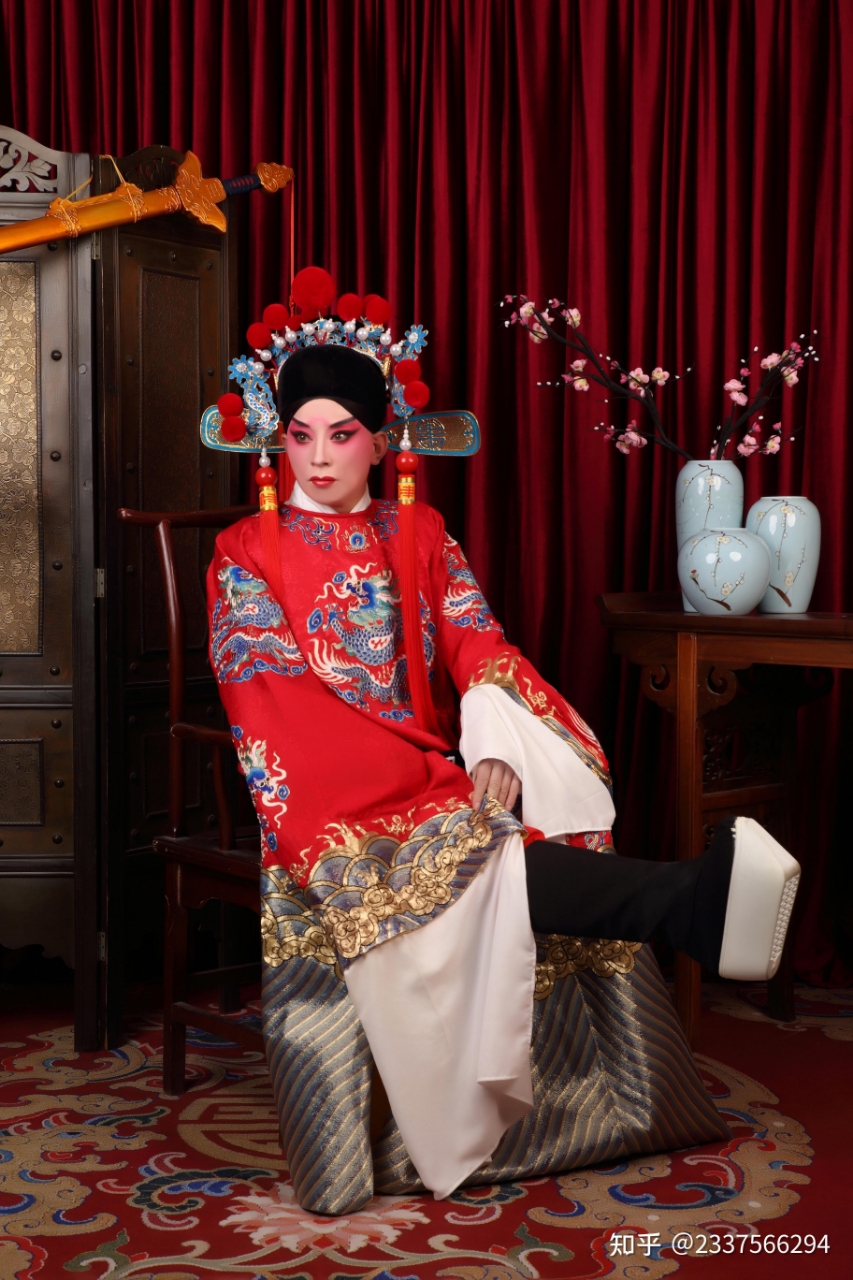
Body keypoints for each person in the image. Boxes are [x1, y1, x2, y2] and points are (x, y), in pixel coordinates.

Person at [206, 298, 799, 1215]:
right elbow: (266, 697)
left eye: (342, 434)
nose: (317, 458)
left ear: (381, 442)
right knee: (458, 841)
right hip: (315, 785)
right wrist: (414, 781)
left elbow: (475, 638)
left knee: (521, 802)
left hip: (424, 769)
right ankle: (690, 902)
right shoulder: (245, 551)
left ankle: (691, 907)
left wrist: (491, 734)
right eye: (299, 435)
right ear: (277, 440)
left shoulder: (420, 534)